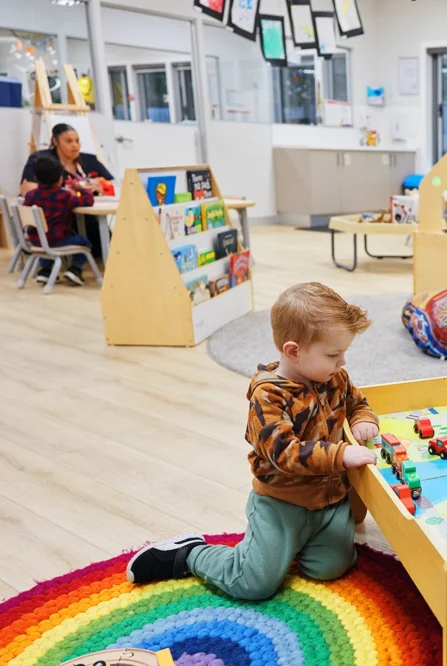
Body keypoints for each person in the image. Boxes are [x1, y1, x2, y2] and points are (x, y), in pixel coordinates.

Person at [126, 283, 381, 600]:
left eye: (343, 353)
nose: (342, 362)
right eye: (333, 354)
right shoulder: (268, 395)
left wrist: (364, 420)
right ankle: (189, 554)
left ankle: (296, 546)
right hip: (281, 503)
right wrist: (341, 455)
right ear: (293, 351)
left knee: (331, 568)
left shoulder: (335, 377)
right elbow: (283, 453)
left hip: (328, 502)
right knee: (253, 584)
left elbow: (357, 404)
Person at [20, 123, 115, 260]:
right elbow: (26, 189)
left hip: (85, 216)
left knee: (101, 243)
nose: (75, 145)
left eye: (77, 141)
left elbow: (110, 184)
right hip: (55, 221)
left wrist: (100, 186)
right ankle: (75, 267)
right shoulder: (42, 161)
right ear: (55, 141)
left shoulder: (89, 160)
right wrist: (69, 192)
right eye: (69, 141)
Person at [22, 155, 96, 286]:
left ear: (36, 178)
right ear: (60, 178)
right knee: (84, 242)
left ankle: (45, 271)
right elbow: (88, 201)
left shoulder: (30, 196)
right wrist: (81, 189)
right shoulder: (64, 196)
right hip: (58, 239)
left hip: (35, 240)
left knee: (47, 238)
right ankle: (75, 269)